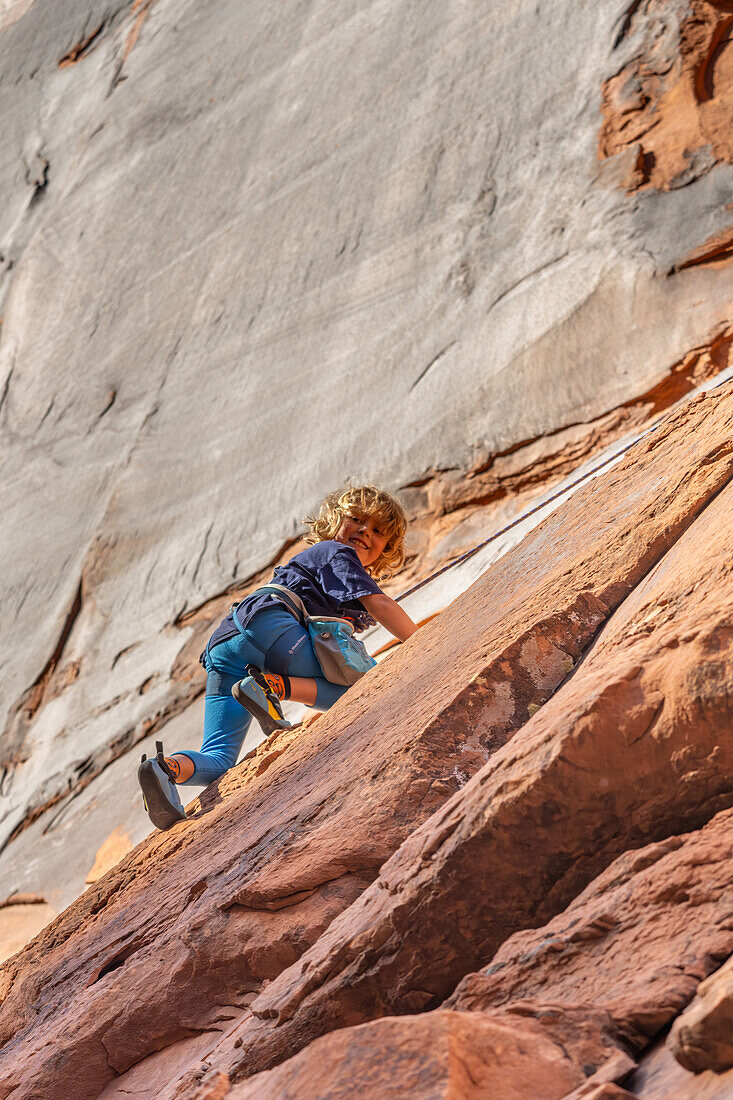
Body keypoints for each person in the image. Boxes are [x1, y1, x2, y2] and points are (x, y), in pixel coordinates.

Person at [138, 485, 418, 830]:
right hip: (273, 630)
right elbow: (380, 604)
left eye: (377, 531)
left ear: (386, 549)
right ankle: (272, 687)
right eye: (357, 520)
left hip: (226, 645)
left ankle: (166, 769)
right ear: (334, 523)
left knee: (221, 757)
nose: (364, 531)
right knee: (369, 688)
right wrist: (423, 641)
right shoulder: (335, 552)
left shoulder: (320, 561)